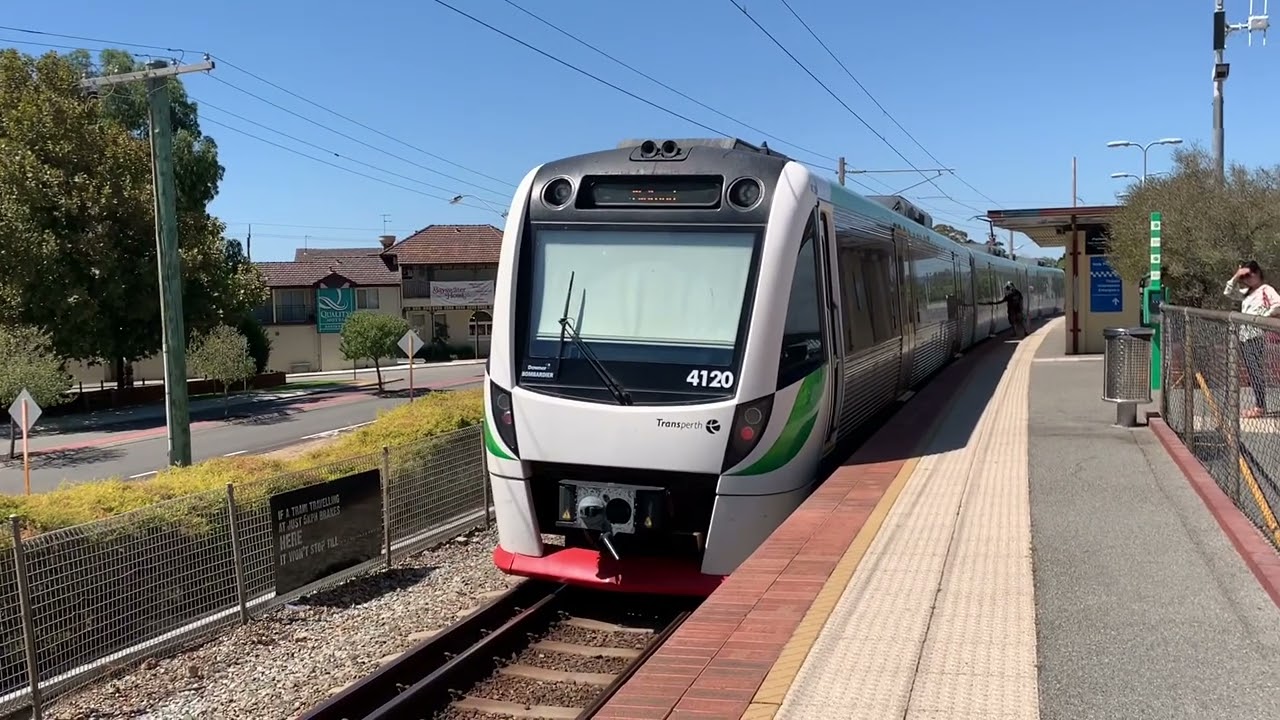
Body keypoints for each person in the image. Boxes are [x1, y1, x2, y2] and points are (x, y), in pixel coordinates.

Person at [1223, 260, 1280, 418]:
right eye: (1244, 277)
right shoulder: (1247, 293)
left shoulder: (1265, 289)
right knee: (1252, 370)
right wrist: (1236, 276)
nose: (1246, 279)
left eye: (1249, 275)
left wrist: (1262, 317)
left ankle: (1260, 406)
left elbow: (1277, 304)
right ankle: (1259, 405)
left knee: (1255, 371)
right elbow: (1228, 292)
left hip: (1256, 335)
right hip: (1244, 336)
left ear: (1257, 273)